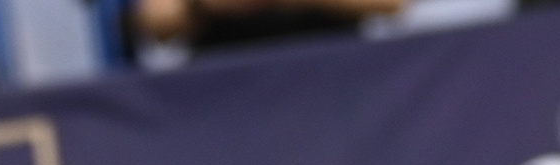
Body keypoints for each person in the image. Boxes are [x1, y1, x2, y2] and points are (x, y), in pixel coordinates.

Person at [127, 0, 402, 55]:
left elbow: (392, 4)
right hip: (227, 92)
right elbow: (154, 21)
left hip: (332, 80)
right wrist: (202, 5)